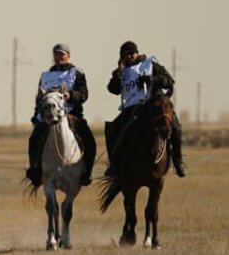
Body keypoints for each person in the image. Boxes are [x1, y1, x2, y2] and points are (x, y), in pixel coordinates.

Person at [105, 40, 187, 178]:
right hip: (130, 109)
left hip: (153, 105)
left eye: (131, 53)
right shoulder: (121, 72)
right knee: (111, 129)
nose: (129, 56)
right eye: (125, 54)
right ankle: (114, 165)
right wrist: (117, 74)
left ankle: (178, 161)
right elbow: (112, 89)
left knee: (175, 126)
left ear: (137, 52)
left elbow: (169, 81)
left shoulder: (150, 64)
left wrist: (152, 80)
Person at [25, 43, 97, 187]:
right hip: (47, 117)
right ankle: (35, 171)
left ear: (68, 56)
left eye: (62, 54)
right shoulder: (45, 75)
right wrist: (36, 115)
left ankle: (86, 173)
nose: (59, 58)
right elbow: (40, 98)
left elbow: (84, 94)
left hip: (71, 115)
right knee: (34, 139)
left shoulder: (77, 73)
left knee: (90, 141)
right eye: (56, 54)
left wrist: (70, 95)